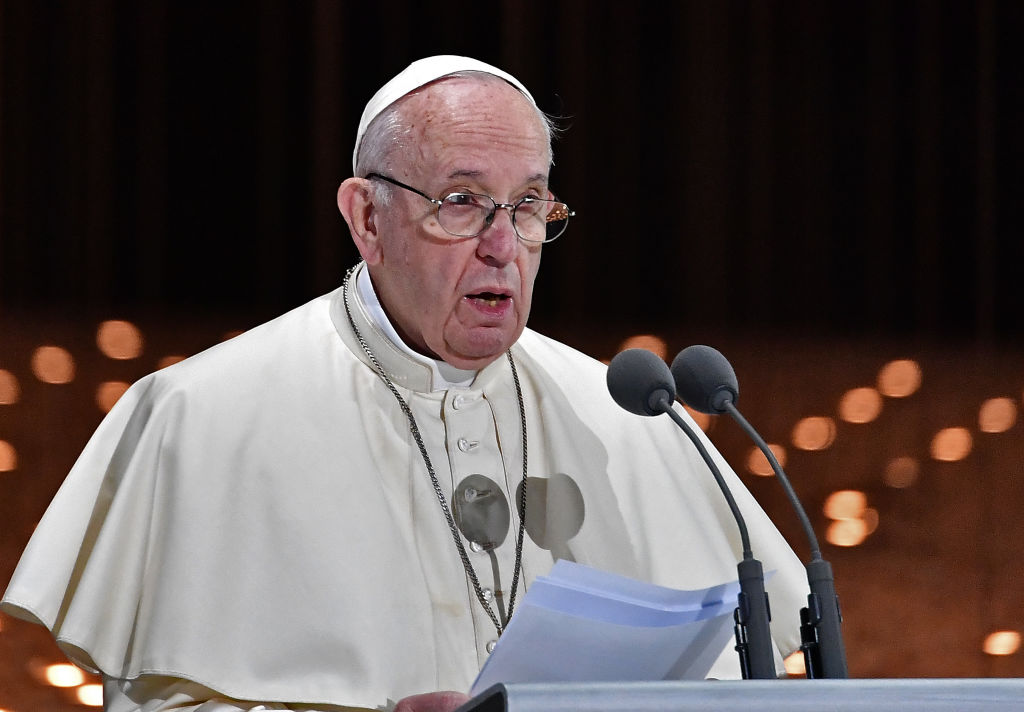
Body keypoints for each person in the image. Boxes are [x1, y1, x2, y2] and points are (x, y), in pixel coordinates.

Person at [2, 56, 808, 712]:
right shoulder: (199, 418)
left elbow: (734, 686)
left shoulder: (627, 418)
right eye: (461, 203)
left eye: (527, 206)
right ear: (367, 218)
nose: (503, 245)